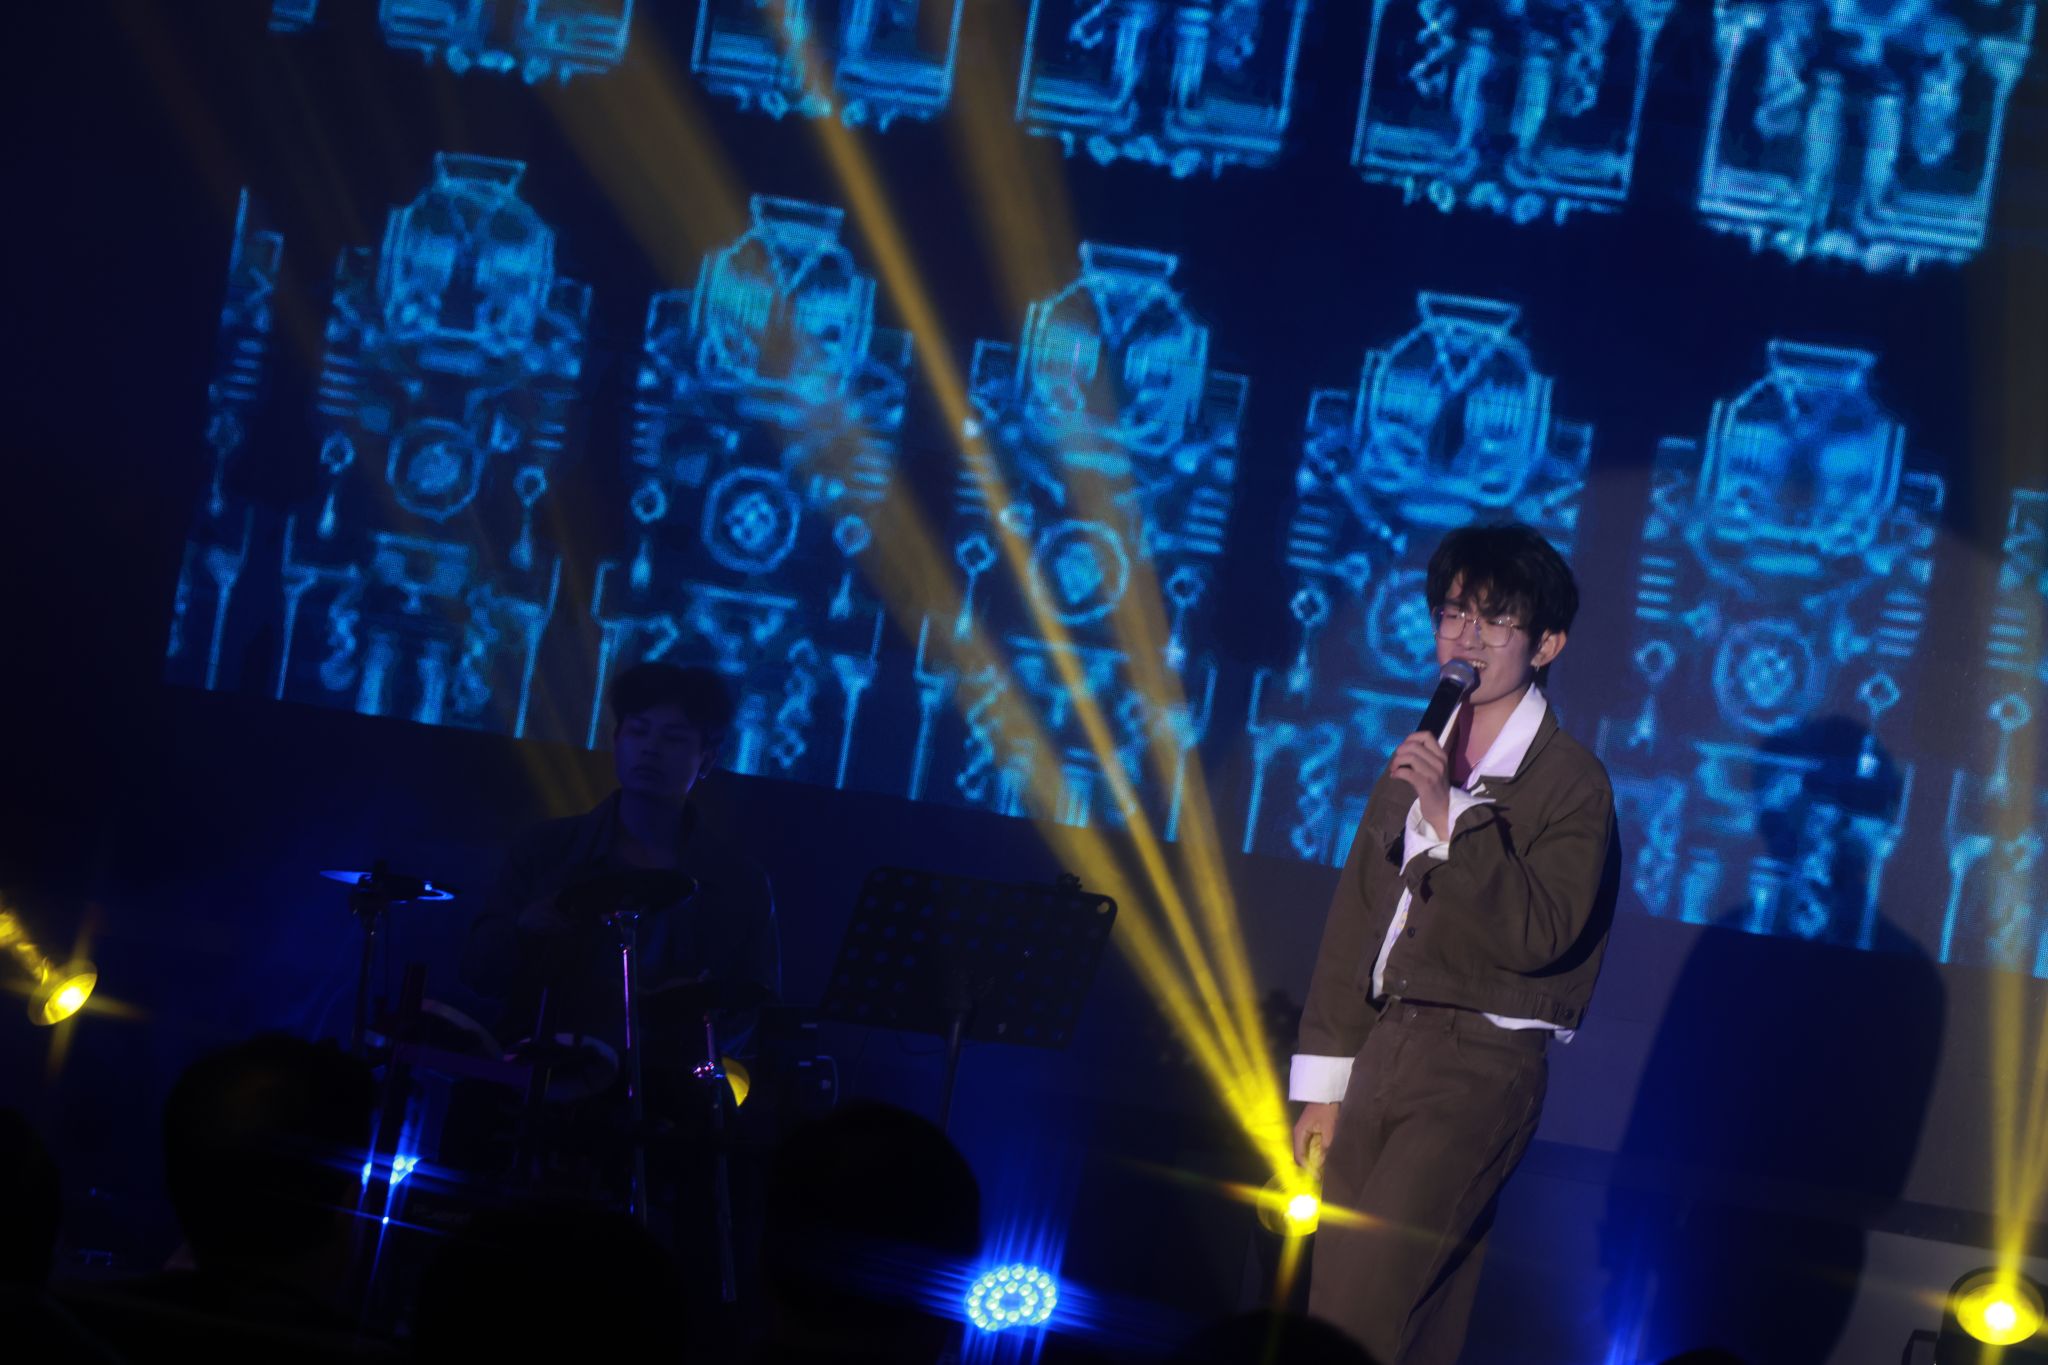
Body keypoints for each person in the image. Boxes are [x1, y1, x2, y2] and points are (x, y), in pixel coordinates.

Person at [1289, 523, 1619, 1365]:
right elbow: (1358, 918)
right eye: (1453, 613)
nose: (1467, 637)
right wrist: (1326, 1084)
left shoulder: (1571, 781)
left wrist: (1453, 819)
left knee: (1362, 1309)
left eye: (1495, 619)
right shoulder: (1420, 753)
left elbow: (1543, 931)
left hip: (1479, 1063)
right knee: (1381, 1309)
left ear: (1547, 644)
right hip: (1386, 1045)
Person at [462, 660, 781, 1059]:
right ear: (616, 740)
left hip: (671, 1081)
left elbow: (756, 1008)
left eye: (673, 738)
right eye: (638, 731)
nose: (650, 748)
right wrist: (524, 930)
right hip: (544, 1066)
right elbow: (478, 972)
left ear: (707, 759)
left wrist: (690, 1012)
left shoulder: (740, 882)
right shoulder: (545, 850)